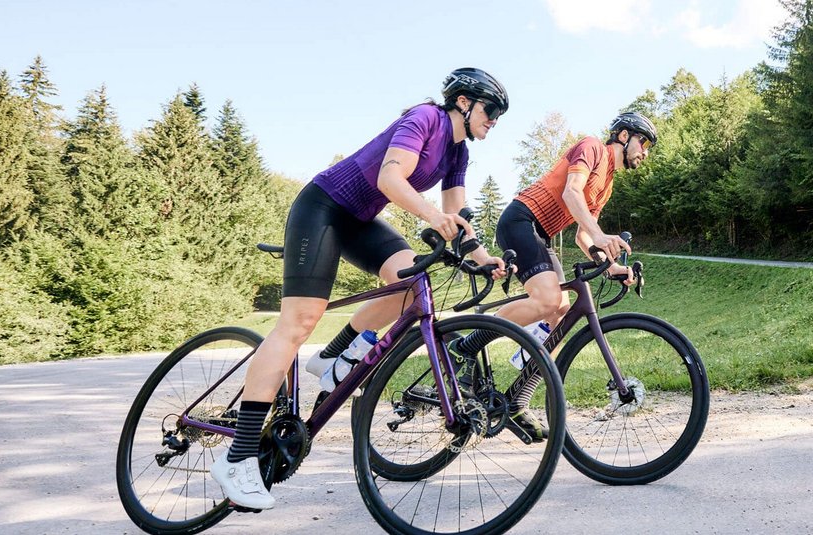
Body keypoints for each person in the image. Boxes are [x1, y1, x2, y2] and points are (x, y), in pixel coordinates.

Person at [211, 68, 511, 510]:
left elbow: (457, 214)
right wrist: (432, 217)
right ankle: (237, 458)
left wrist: (482, 257)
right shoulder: (425, 118)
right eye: (491, 110)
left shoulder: (458, 151)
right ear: (463, 102)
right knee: (298, 323)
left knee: (411, 285)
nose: (495, 120)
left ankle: (334, 354)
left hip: (361, 220)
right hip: (324, 208)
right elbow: (391, 179)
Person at [448, 111, 656, 443]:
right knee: (547, 299)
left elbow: (583, 236)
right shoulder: (592, 147)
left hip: (541, 234)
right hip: (521, 219)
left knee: (561, 313)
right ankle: (464, 347)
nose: (645, 152)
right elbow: (571, 194)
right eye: (643, 142)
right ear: (623, 136)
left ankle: (517, 401)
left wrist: (612, 266)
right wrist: (601, 235)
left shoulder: (607, 184)